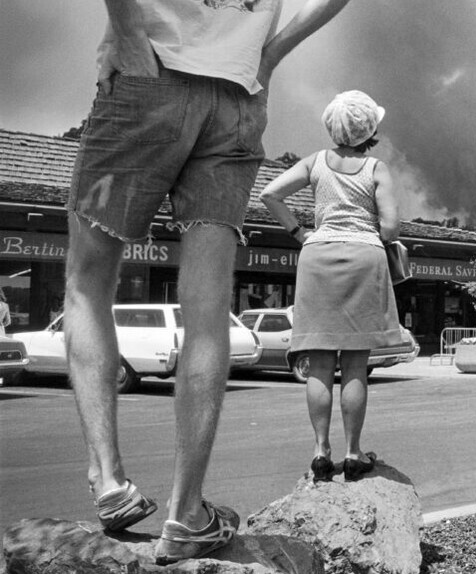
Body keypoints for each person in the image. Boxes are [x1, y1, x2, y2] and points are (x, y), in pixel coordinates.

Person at [63, 0, 352, 564]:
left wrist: (126, 33)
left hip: (151, 72)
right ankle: (187, 513)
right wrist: (265, 57)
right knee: (208, 305)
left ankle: (110, 481)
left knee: (87, 283)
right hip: (236, 101)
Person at [260, 90, 402, 486]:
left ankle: (320, 452)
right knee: (355, 362)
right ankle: (353, 453)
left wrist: (300, 232)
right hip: (363, 258)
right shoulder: (377, 168)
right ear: (370, 128)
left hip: (317, 256)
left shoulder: (314, 163)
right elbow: (390, 228)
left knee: (319, 365)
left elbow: (269, 194)